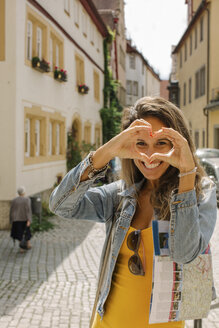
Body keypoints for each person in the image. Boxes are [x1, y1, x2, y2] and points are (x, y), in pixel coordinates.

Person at [49, 97, 217, 327]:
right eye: (141, 144)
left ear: (180, 144)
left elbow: (184, 255)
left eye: (161, 143)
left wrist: (187, 172)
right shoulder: (119, 196)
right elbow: (60, 205)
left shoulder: (199, 194)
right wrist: (107, 152)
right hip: (107, 322)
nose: (150, 156)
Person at [10, 186, 32, 252]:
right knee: (27, 232)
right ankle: (28, 244)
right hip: (25, 219)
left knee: (19, 233)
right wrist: (29, 219)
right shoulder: (27, 200)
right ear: (24, 192)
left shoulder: (14, 200)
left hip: (16, 219)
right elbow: (28, 210)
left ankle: (21, 248)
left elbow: (11, 210)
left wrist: (11, 220)